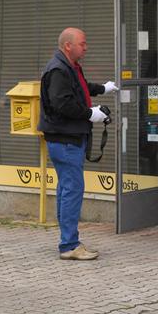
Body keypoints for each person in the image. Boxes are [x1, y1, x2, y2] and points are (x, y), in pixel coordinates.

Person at [38, 27, 118, 261]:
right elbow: (63, 105)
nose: (86, 47)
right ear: (68, 46)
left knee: (66, 189)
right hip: (65, 140)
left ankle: (67, 240)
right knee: (72, 190)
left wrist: (103, 88)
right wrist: (90, 114)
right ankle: (69, 245)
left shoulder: (68, 66)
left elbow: (80, 87)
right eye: (82, 43)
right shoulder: (58, 70)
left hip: (66, 139)